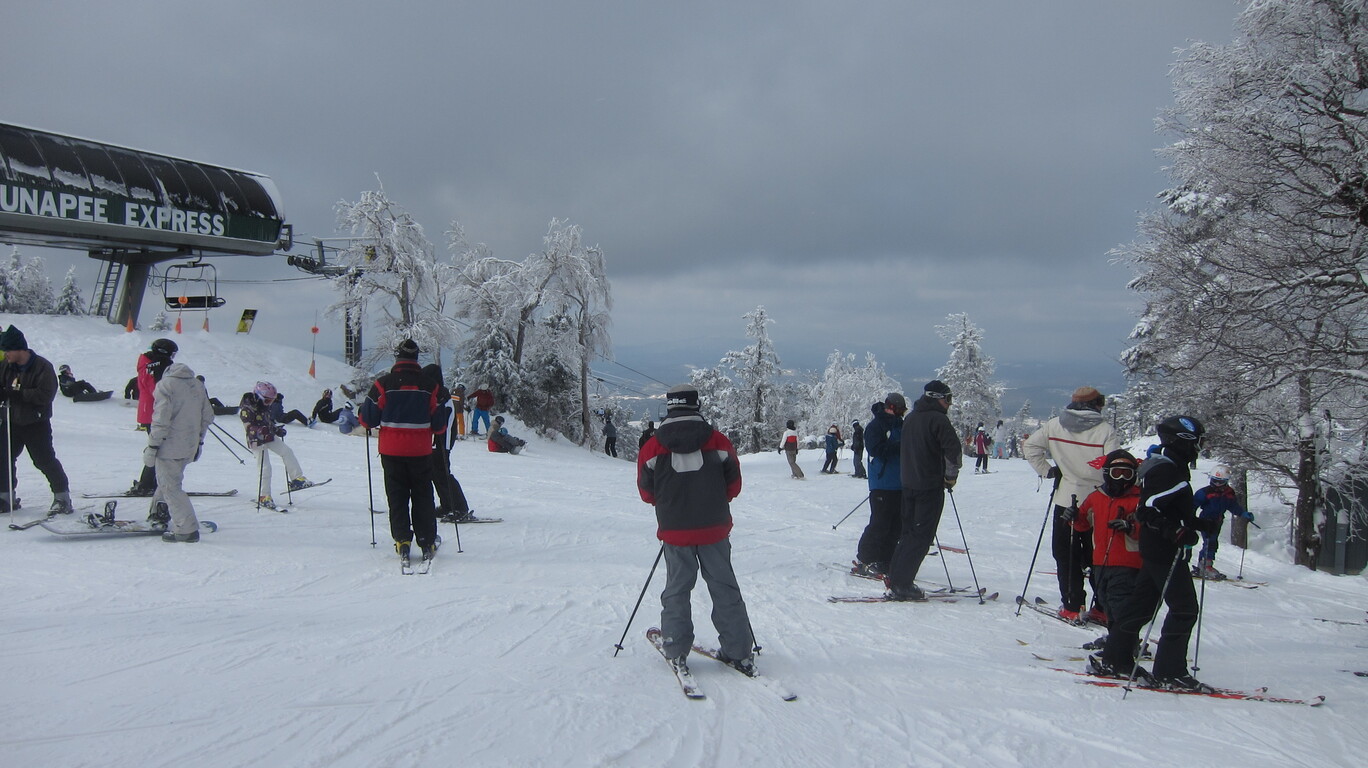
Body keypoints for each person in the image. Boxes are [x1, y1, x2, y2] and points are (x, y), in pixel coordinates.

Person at [636, 383, 754, 675]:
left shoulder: (652, 447)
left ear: (670, 407)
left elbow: (646, 493)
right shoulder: (718, 441)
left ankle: (676, 650)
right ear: (696, 405)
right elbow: (734, 486)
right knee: (724, 587)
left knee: (677, 589)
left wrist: (669, 504)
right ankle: (739, 652)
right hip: (715, 528)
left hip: (675, 531)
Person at [1094, 416, 1217, 692]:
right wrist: (1176, 532)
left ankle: (1116, 659)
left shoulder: (1169, 466)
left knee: (1141, 607)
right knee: (1184, 609)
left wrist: (1198, 524)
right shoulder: (1167, 470)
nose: (1199, 447)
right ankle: (1170, 672)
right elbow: (1148, 509)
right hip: (1164, 550)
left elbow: (1169, 508)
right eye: (1198, 441)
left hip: (1156, 547)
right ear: (1183, 441)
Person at [1023, 386, 1120, 621]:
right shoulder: (1105, 430)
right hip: (1099, 501)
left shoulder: (1055, 425)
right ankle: (1103, 607)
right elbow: (1114, 466)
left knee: (1066, 554)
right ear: (1097, 404)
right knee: (1099, 555)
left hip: (1066, 498)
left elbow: (1031, 447)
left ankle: (1072, 606)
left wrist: (1048, 471)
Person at [358, 340, 445, 563]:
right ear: (417, 358)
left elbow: (367, 420)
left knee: (396, 496)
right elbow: (439, 425)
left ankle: (402, 540)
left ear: (397, 358)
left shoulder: (383, 384)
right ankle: (426, 540)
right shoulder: (430, 386)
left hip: (391, 451)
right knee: (422, 495)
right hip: (420, 451)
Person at [884, 380, 962, 600]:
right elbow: (953, 451)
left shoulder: (911, 418)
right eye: (948, 399)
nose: (949, 404)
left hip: (908, 484)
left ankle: (895, 576)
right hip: (928, 485)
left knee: (908, 533)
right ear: (937, 398)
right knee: (921, 536)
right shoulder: (938, 420)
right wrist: (950, 477)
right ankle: (902, 584)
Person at [1069, 450, 1143, 641]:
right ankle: (1117, 641)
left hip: (1128, 562)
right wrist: (1074, 516)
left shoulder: (1139, 499)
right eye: (1116, 473)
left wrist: (1130, 527)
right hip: (1101, 561)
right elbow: (1083, 524)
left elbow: (1147, 530)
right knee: (1105, 602)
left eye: (1126, 473)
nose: (1121, 479)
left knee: (1120, 603)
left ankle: (1124, 644)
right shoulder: (1096, 497)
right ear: (1107, 473)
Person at [0, 325, 72, 515]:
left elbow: (45, 395)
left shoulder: (42, 366)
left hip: (35, 423)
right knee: (3, 458)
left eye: (8, 350)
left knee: (44, 460)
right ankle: (5, 496)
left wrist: (18, 394)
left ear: (19, 349)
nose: (5, 354)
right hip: (11, 420)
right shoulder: (6, 366)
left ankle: (62, 497)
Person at [144, 359, 215, 542]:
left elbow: (161, 419)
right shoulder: (197, 385)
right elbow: (208, 416)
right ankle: (159, 513)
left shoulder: (166, 385)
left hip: (170, 446)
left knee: (171, 486)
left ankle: (186, 529)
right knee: (169, 480)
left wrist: (152, 446)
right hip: (189, 445)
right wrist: (199, 441)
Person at [852, 393, 907, 577]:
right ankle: (865, 559)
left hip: (901, 483)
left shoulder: (901, 425)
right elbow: (875, 449)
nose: (900, 413)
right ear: (890, 407)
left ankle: (886, 559)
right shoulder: (876, 426)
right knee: (880, 524)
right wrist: (899, 446)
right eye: (898, 409)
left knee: (896, 525)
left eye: (903, 410)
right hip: (882, 483)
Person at [239, 381, 312, 509]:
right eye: (268, 401)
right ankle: (264, 496)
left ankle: (297, 479)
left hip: (268, 436)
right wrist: (261, 430)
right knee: (265, 467)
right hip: (256, 440)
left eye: (272, 401)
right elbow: (249, 428)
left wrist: (276, 429)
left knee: (287, 452)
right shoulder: (247, 409)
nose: (269, 403)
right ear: (258, 396)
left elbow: (267, 421)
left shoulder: (264, 405)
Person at [421, 363, 472, 523]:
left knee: (443, 475)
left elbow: (446, 423)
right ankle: (447, 505)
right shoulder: (436, 394)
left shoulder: (441, 396)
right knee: (436, 475)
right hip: (437, 442)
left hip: (442, 442)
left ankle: (459, 508)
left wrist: (442, 444)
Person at [128, 338, 178, 495]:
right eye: (172, 354)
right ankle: (146, 483)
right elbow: (156, 390)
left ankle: (151, 482)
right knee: (158, 449)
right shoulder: (152, 367)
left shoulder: (151, 364)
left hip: (153, 412)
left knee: (159, 448)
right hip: (154, 413)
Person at [1191, 466, 1253, 581]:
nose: (1217, 485)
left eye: (1221, 482)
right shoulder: (1205, 492)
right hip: (1206, 520)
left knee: (1213, 543)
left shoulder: (1229, 493)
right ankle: (1205, 566)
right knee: (1210, 542)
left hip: (1218, 521)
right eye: (1215, 481)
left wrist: (1243, 513)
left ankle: (1203, 565)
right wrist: (1191, 520)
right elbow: (1193, 505)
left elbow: (1233, 506)